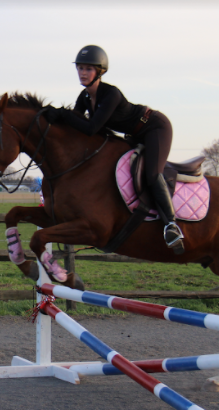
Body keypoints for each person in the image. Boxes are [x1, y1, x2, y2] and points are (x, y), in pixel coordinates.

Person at [45, 45, 185, 254]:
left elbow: (92, 128)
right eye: (80, 68)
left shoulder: (111, 94)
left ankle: (171, 225)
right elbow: (76, 127)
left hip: (155, 127)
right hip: (133, 135)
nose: (83, 73)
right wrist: (54, 117)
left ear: (99, 72)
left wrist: (64, 115)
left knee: (153, 174)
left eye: (88, 69)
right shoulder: (84, 97)